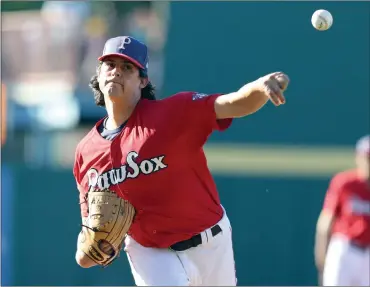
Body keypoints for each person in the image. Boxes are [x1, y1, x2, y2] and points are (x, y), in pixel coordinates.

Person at [73, 36, 289, 286]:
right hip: (150, 251)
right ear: (99, 73)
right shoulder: (85, 152)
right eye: (110, 65)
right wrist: (88, 249)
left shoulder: (173, 113)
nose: (116, 72)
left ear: (143, 80)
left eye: (127, 67)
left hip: (211, 243)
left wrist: (260, 87)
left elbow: (233, 103)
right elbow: (89, 233)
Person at [314, 135, 370, 286]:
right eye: (367, 158)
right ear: (359, 158)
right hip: (346, 250)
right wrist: (322, 258)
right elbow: (326, 221)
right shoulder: (345, 183)